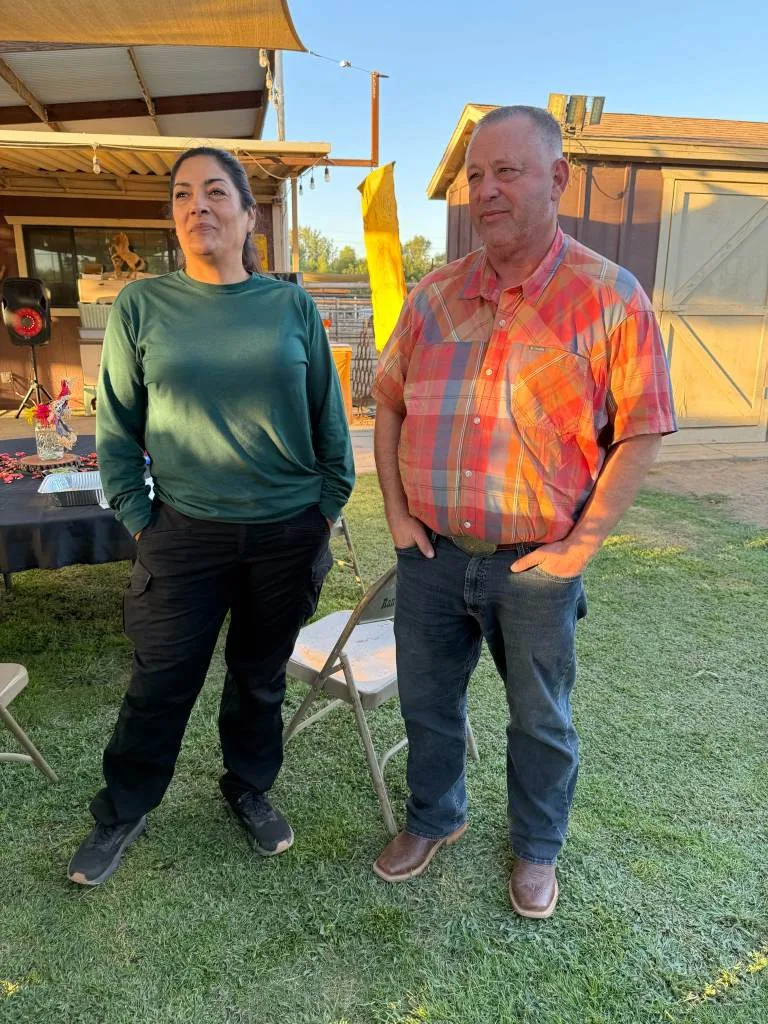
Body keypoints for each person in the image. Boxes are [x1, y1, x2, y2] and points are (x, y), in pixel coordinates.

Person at [371, 106, 676, 918]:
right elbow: (389, 404)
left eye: (506, 171)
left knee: (540, 720)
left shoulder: (611, 298)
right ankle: (435, 817)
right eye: (476, 175)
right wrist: (397, 514)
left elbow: (642, 428)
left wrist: (582, 545)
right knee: (426, 702)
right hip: (433, 555)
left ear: (557, 179)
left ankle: (537, 848)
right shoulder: (434, 296)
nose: (486, 190)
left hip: (537, 566)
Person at [68, 147, 355, 886]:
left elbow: (330, 419)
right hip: (183, 532)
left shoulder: (290, 308)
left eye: (217, 191)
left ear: (249, 215)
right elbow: (116, 427)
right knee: (161, 679)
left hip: (288, 531)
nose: (199, 204)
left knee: (259, 676)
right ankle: (123, 809)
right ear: (174, 216)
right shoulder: (142, 306)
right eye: (183, 194)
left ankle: (247, 787)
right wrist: (140, 517)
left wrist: (325, 510)